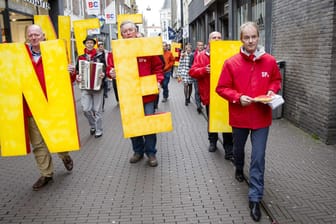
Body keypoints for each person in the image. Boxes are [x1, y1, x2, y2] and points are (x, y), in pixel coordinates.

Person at [216, 21, 282, 222]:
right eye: (247, 37)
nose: (251, 40)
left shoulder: (270, 61)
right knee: (238, 149)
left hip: (261, 117)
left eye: (254, 36)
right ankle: (238, 166)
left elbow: (276, 80)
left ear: (258, 37)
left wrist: (272, 90)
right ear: (241, 39)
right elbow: (221, 88)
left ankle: (254, 197)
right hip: (240, 116)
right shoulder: (231, 63)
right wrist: (237, 97)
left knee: (258, 157)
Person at [108, 20, 164, 167]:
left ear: (136, 31)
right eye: (125, 31)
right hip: (128, 94)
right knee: (133, 124)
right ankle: (138, 151)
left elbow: (158, 67)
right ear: (121, 34)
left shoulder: (147, 47)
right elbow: (111, 68)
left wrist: (158, 81)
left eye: (130, 30)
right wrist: (111, 73)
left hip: (147, 94)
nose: (128, 33)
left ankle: (151, 152)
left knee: (149, 124)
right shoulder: (116, 51)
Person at [25, 24, 73, 191]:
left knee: (56, 137)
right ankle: (46, 174)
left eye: (36, 34)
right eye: (30, 35)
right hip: (31, 106)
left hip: (52, 104)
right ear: (27, 37)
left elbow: (70, 79)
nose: (33, 37)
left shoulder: (55, 53)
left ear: (43, 36)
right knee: (38, 144)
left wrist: (70, 71)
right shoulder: (20, 56)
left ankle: (64, 155)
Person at [189, 31, 234, 160]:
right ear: (209, 41)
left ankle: (229, 148)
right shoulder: (202, 56)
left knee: (226, 122)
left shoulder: (228, 54)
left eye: (219, 37)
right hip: (210, 95)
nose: (217, 39)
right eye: (214, 37)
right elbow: (192, 71)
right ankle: (213, 142)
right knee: (212, 120)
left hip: (226, 95)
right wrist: (204, 70)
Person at [72, 35, 107, 138]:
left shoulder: (100, 56)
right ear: (85, 44)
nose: (89, 44)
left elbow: (105, 68)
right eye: (88, 43)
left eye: (91, 43)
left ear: (94, 44)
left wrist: (103, 74)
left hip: (98, 86)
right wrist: (77, 76)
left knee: (97, 110)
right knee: (86, 109)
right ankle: (93, 125)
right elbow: (77, 70)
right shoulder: (81, 57)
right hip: (85, 86)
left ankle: (99, 130)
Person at [189, 41, 204, 113]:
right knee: (197, 91)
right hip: (196, 76)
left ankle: (200, 102)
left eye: (201, 45)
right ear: (197, 46)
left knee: (202, 91)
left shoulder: (206, 54)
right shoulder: (192, 55)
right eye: (199, 45)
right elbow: (190, 65)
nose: (200, 47)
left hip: (203, 76)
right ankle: (198, 106)